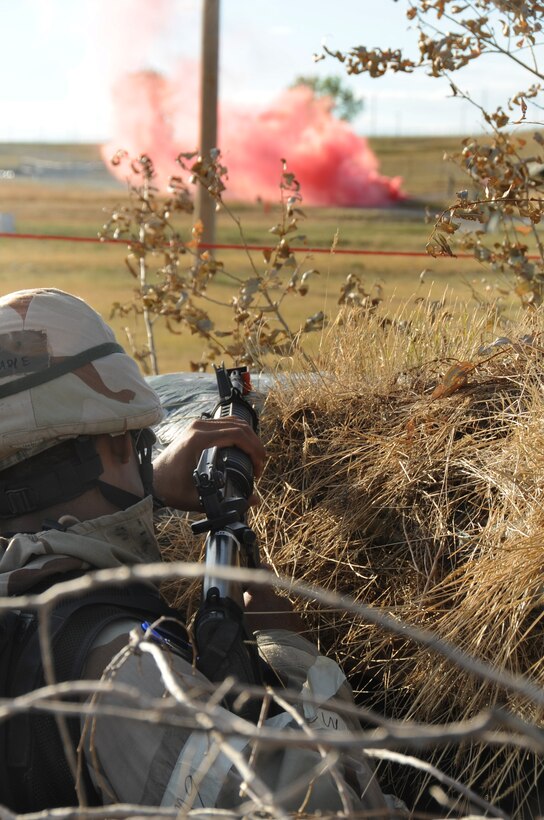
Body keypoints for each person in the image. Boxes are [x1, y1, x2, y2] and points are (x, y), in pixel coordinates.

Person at [0, 288, 389, 816]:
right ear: (117, 444)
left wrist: (146, 486)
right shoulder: (125, 671)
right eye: (140, 446)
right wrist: (290, 655)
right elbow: (325, 806)